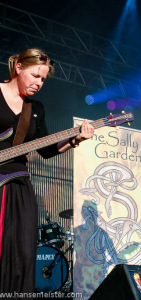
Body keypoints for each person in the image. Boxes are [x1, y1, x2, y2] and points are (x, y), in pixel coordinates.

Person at [0, 48, 94, 294]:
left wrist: (76, 140)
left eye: (43, 79)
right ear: (18, 68)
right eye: (35, 76)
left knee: (21, 252)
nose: (39, 83)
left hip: (18, 185)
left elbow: (46, 149)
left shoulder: (35, 108)